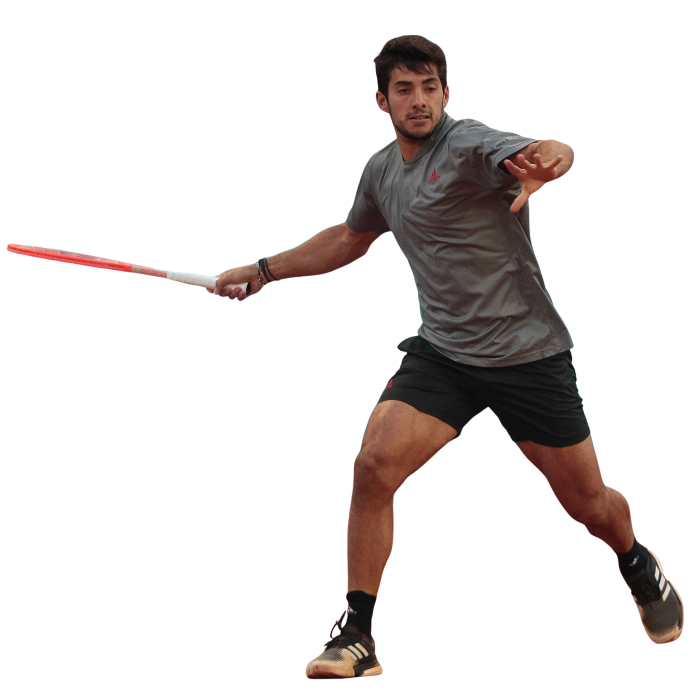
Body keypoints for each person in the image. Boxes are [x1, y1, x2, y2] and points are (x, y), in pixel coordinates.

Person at [213, 35, 684, 677]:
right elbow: (350, 239)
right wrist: (264, 271)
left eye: (429, 88)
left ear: (446, 94)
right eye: (404, 89)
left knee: (589, 506)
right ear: (381, 101)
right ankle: (358, 634)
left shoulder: (467, 144)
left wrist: (549, 161)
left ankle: (635, 561)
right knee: (373, 466)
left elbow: (549, 148)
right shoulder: (381, 170)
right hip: (445, 354)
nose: (419, 100)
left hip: (527, 357)